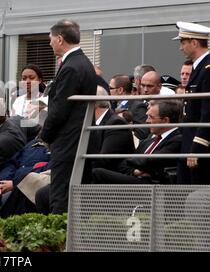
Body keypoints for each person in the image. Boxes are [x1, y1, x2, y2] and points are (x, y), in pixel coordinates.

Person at [40, 19, 97, 214]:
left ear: (59, 39)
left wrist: (45, 135)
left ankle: (61, 242)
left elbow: (59, 109)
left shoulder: (72, 67)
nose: (49, 44)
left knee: (61, 196)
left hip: (69, 140)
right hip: (78, 138)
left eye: (50, 39)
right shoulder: (83, 63)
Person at [92, 99, 182, 184]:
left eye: (151, 117)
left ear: (166, 120)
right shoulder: (148, 141)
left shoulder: (177, 140)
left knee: (98, 173)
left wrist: (134, 163)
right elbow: (122, 165)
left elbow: (151, 162)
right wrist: (135, 171)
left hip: (155, 185)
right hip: (137, 181)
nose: (147, 121)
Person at [174, 21, 210, 184]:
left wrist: (197, 147)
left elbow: (207, 112)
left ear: (194, 42)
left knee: (197, 198)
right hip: (190, 141)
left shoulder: (207, 69)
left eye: (183, 42)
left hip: (200, 145)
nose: (180, 48)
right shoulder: (200, 67)